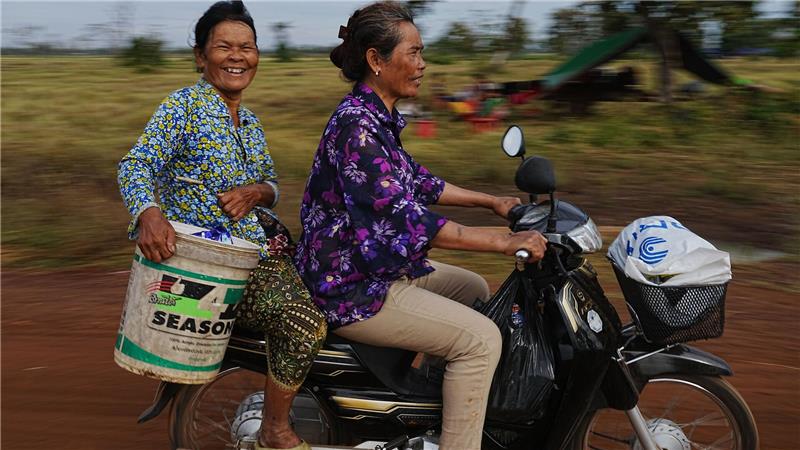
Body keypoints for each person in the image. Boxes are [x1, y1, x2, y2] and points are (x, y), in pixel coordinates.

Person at [293, 2, 547, 449]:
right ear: (376, 60)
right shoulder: (358, 130)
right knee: (482, 340)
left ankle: (425, 417)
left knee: (474, 291)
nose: (422, 64)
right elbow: (409, 220)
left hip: (374, 269)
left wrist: (492, 202)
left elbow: (417, 179)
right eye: (413, 53)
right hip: (351, 284)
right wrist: (505, 242)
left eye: (421, 52)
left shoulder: (375, 117)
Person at [117, 2, 323, 449]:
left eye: (246, 47)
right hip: (212, 265)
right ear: (200, 56)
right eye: (224, 46)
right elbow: (136, 165)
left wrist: (257, 192)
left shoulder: (248, 121)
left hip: (260, 250)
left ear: (258, 56)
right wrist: (148, 214)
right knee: (303, 323)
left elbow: (271, 182)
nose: (237, 56)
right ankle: (275, 430)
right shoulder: (184, 106)